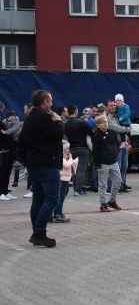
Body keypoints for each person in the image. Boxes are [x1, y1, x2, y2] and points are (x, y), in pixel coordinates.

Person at [17, 89, 64, 247]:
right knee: (52, 198)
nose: (52, 103)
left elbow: (21, 142)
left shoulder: (30, 117)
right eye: (50, 101)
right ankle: (39, 232)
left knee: (38, 198)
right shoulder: (43, 117)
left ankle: (36, 231)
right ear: (45, 102)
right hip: (45, 163)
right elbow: (56, 136)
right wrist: (58, 122)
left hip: (34, 163)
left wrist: (27, 161)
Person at [92, 115, 123, 212]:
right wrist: (98, 165)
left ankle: (112, 201)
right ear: (98, 125)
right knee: (103, 184)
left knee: (118, 181)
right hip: (103, 163)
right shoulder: (97, 136)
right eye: (102, 122)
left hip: (113, 162)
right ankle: (103, 204)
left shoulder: (112, 132)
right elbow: (95, 151)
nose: (105, 124)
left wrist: (119, 148)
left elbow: (117, 145)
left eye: (106, 122)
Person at [63, 104, 93, 196]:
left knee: (74, 170)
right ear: (76, 111)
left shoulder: (65, 123)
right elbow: (90, 132)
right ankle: (79, 190)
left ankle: (76, 188)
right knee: (81, 169)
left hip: (72, 149)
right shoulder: (81, 122)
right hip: (83, 148)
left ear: (68, 111)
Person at [53, 141, 77, 222]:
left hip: (66, 179)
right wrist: (70, 159)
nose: (69, 150)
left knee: (63, 194)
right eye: (67, 149)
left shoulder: (66, 157)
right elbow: (66, 165)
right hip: (62, 179)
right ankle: (58, 214)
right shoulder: (61, 158)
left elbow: (71, 164)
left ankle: (57, 212)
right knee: (60, 197)